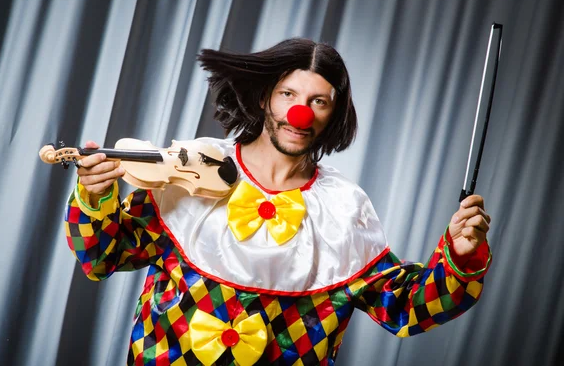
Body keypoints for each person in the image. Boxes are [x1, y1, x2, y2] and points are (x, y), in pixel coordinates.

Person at [64, 38, 492, 366]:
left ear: (333, 113)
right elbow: (103, 257)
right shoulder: (192, 168)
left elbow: (406, 308)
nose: (300, 113)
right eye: (289, 94)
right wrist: (97, 196)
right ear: (266, 96)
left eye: (317, 101)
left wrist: (459, 256)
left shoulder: (345, 208)